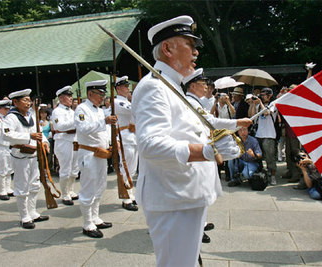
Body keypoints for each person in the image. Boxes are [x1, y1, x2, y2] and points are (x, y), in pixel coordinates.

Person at [131, 15, 241, 267]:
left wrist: (221, 145)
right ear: (168, 48)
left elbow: (189, 132)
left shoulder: (172, 85)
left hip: (183, 193)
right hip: (172, 197)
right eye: (190, 44)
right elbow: (150, 144)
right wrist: (206, 151)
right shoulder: (154, 87)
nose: (196, 51)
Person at [183, 68, 252, 243]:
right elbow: (211, 122)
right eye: (203, 83)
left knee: (204, 190)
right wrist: (237, 123)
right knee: (198, 192)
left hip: (205, 148)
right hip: (199, 151)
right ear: (193, 85)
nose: (207, 86)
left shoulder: (194, 101)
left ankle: (201, 223)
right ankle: (196, 230)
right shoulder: (190, 101)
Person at [74, 80, 117, 238]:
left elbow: (103, 132)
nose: (102, 98)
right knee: (88, 188)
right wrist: (103, 121)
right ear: (90, 93)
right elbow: (83, 128)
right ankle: (87, 224)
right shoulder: (82, 108)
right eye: (100, 94)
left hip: (101, 153)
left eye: (103, 94)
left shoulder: (99, 110)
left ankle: (95, 217)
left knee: (100, 186)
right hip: (89, 154)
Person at [3, 89, 50, 229]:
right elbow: (7, 135)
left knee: (34, 185)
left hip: (34, 154)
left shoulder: (31, 116)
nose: (28, 103)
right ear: (15, 102)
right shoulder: (11, 117)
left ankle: (32, 212)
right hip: (20, 155)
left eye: (29, 100)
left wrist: (45, 141)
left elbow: (39, 132)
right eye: (25, 100)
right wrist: (29, 137)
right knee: (22, 187)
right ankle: (24, 217)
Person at [51, 86, 79, 206]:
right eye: (68, 96)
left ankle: (71, 190)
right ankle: (65, 193)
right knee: (65, 169)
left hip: (74, 140)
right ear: (61, 98)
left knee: (74, 169)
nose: (71, 98)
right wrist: (76, 122)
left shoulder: (72, 111)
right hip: (63, 141)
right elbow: (60, 126)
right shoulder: (57, 111)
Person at [114, 76, 139, 211]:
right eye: (125, 86)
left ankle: (130, 193)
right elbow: (133, 110)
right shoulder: (117, 101)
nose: (127, 88)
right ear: (118, 88)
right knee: (126, 168)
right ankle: (125, 198)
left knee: (133, 168)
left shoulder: (128, 101)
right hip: (124, 136)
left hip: (133, 136)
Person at [248, 87, 278, 185]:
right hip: (259, 134)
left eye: (264, 95)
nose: (262, 96)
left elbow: (266, 113)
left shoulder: (273, 104)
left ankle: (272, 176)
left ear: (269, 96)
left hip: (269, 135)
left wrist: (260, 103)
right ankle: (261, 174)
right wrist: (253, 104)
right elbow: (251, 116)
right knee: (258, 156)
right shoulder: (258, 105)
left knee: (270, 157)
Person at [0, 99, 14, 200]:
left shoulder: (7, 119)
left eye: (8, 108)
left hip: (8, 146)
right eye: (5, 109)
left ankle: (8, 188)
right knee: (1, 169)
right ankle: (2, 191)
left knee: (9, 168)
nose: (7, 110)